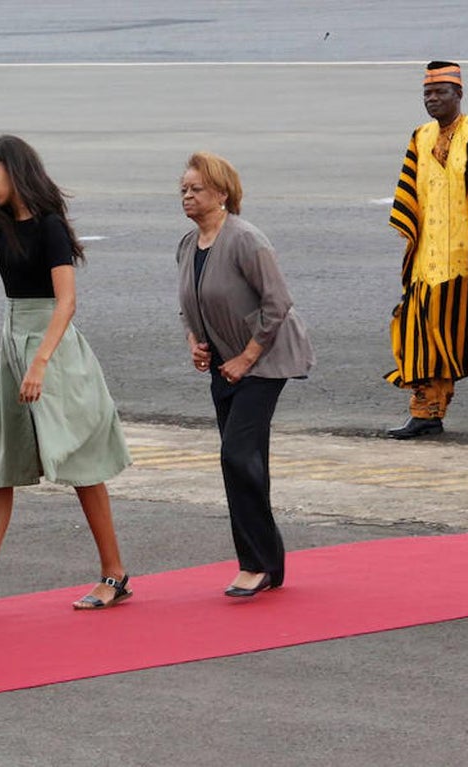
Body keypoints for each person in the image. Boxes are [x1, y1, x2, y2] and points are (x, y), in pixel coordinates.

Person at [0, 135, 133, 615]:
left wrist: (40, 361)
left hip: (51, 349)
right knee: (1, 464)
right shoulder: (3, 227)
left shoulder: (50, 226)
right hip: (14, 344)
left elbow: (68, 301)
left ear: (17, 172)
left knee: (81, 462)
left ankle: (115, 574)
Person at [175, 151, 314, 598]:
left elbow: (278, 302)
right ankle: (268, 563)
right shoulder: (186, 245)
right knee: (245, 460)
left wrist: (247, 357)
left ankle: (256, 563)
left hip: (265, 360)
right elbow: (189, 304)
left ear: (222, 193)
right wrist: (194, 343)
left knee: (237, 455)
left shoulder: (246, 239)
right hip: (224, 365)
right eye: (183, 189)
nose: (187, 196)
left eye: (196, 189)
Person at [385, 61, 468, 439]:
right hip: (429, 262)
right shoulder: (420, 137)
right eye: (427, 94)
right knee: (421, 337)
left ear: (459, 95)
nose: (433, 100)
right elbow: (410, 198)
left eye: (441, 93)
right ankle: (427, 413)